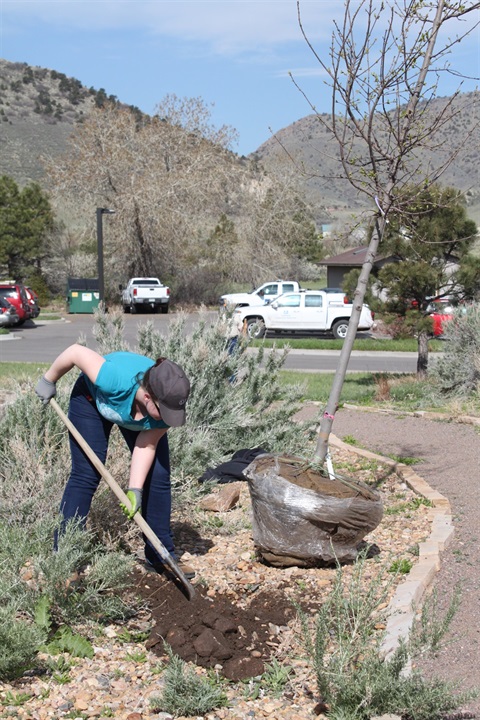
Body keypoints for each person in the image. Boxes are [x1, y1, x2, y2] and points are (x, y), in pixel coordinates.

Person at [34, 344, 194, 578]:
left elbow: (146, 445)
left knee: (157, 477)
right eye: (164, 412)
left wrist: (135, 490)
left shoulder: (166, 410)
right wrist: (49, 380)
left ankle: (160, 555)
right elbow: (75, 352)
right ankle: (65, 557)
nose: (168, 419)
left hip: (135, 417)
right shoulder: (114, 378)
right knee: (86, 474)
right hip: (91, 399)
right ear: (148, 396)